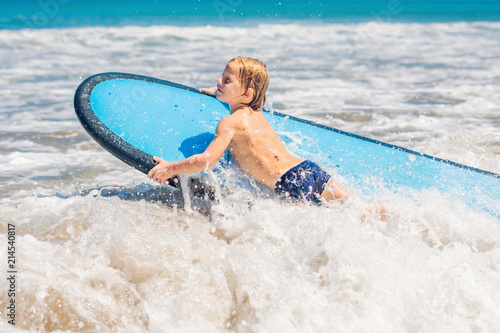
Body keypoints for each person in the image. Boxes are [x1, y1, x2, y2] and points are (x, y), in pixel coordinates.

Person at [148, 56, 350, 204]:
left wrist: (169, 168)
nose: (219, 81)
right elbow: (247, 99)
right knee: (356, 208)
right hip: (308, 169)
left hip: (289, 183)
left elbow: (206, 160)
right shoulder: (256, 109)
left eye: (227, 80)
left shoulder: (229, 122)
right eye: (221, 76)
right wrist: (218, 92)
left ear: (246, 94)